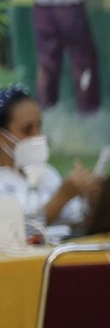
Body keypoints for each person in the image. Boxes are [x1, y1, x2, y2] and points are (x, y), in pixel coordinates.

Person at [0, 84, 97, 226]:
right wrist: (63, 196)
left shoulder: (48, 174)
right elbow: (18, 235)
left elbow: (77, 225)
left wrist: (91, 199)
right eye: (27, 130)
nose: (38, 135)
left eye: (39, 126)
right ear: (2, 139)